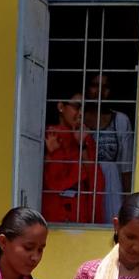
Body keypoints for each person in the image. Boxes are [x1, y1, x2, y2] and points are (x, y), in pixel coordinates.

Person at [41, 91, 102, 225]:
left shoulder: (85, 137)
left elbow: (95, 178)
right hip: (53, 207)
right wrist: (51, 153)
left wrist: (82, 145)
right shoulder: (48, 134)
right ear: (61, 107)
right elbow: (48, 180)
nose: (80, 113)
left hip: (79, 207)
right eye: (76, 107)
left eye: (83, 109)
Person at [85, 70, 135, 209]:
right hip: (83, 185)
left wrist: (127, 201)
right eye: (95, 85)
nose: (99, 91)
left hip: (111, 187)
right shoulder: (77, 118)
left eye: (105, 87)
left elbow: (126, 166)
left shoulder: (120, 120)